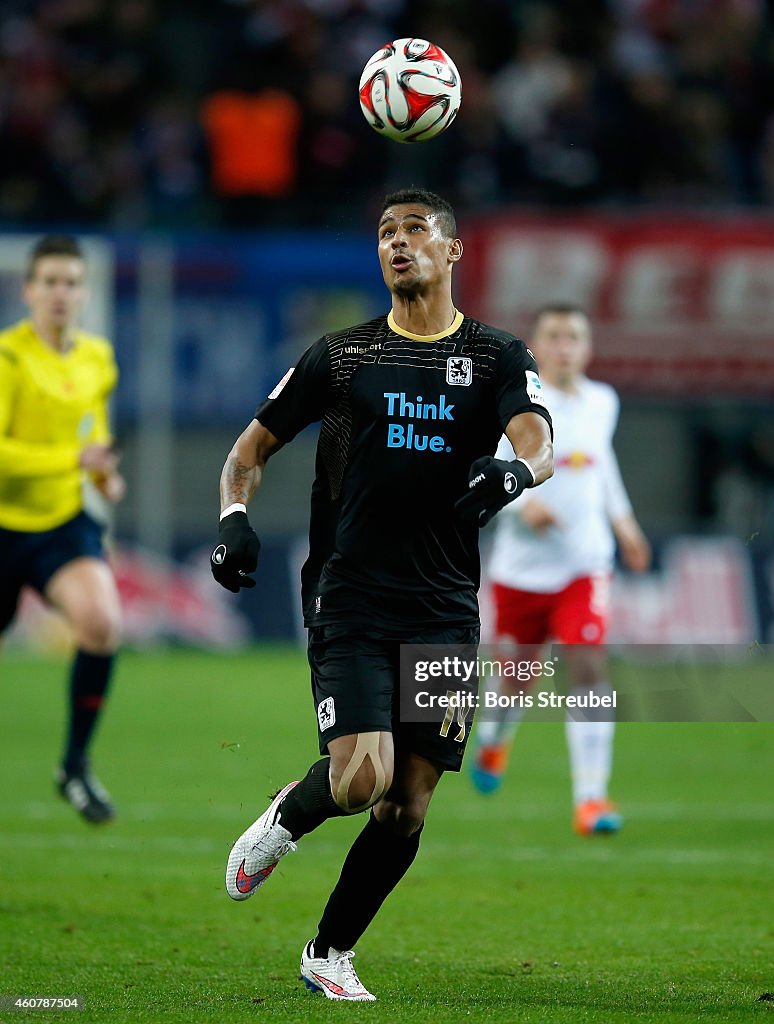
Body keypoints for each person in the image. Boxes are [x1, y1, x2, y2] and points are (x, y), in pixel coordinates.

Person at [210, 188, 554, 1001]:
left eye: (415, 230)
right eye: (385, 234)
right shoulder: (343, 356)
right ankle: (287, 819)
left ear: (454, 250)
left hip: (443, 606)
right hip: (351, 592)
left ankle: (329, 952)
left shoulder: (497, 355)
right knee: (362, 778)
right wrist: (233, 516)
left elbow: (539, 442)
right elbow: (250, 449)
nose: (397, 244)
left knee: (407, 804)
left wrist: (513, 469)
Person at [470, 304, 650, 835]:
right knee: (516, 680)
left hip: (585, 565)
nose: (566, 346)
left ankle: (591, 799)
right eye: (555, 336)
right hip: (522, 572)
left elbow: (602, 463)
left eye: (575, 336)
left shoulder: (602, 402)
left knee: (588, 670)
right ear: (537, 346)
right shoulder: (515, 404)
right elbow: (486, 474)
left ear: (588, 347)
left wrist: (626, 523)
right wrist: (525, 505)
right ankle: (493, 742)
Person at [0, 235, 125, 824]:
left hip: (59, 523)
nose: (60, 292)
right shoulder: (8, 358)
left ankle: (74, 766)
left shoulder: (96, 357)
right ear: (28, 290)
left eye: (71, 282)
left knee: (102, 623)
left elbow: (90, 432)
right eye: (48, 281)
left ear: (84, 292)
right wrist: (74, 462)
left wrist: (103, 481)